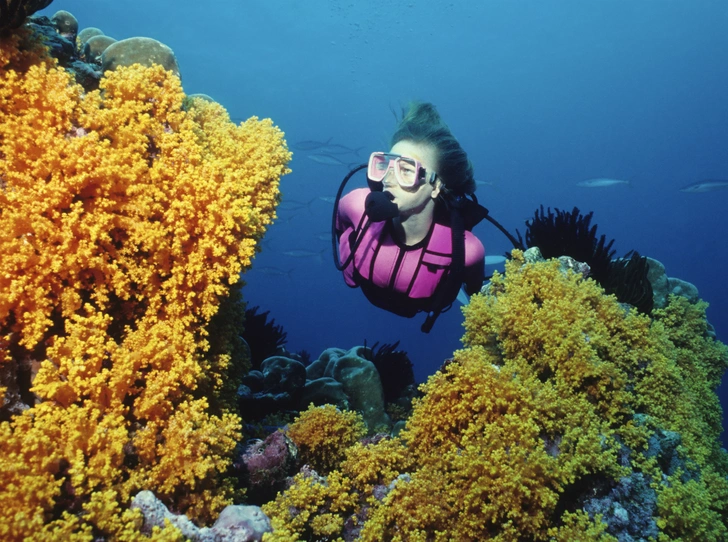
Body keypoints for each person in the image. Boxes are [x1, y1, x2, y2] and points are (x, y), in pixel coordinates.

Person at [333, 102, 487, 333]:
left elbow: (476, 293)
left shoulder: (467, 250)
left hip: (419, 306)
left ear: (436, 187)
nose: (388, 179)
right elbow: (340, 223)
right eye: (386, 165)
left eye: (407, 170)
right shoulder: (356, 205)